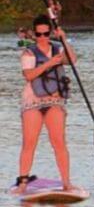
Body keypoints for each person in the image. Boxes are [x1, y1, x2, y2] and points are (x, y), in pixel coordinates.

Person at [14, 14, 77, 194]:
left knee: (59, 142)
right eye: (39, 34)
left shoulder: (58, 48)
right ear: (34, 34)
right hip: (32, 101)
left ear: (51, 33)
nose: (43, 38)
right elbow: (28, 75)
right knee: (29, 143)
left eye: (46, 33)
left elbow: (72, 60)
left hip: (54, 100)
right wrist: (49, 63)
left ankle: (66, 183)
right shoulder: (28, 51)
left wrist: (64, 38)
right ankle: (23, 183)